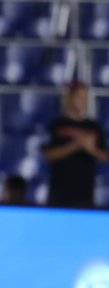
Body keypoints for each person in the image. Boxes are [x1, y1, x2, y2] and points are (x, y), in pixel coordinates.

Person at [41, 80, 107, 209]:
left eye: (86, 97)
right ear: (70, 98)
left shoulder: (94, 127)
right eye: (80, 97)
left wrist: (90, 149)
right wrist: (75, 145)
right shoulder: (56, 125)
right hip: (59, 192)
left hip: (85, 193)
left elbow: (104, 156)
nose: (85, 101)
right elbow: (48, 154)